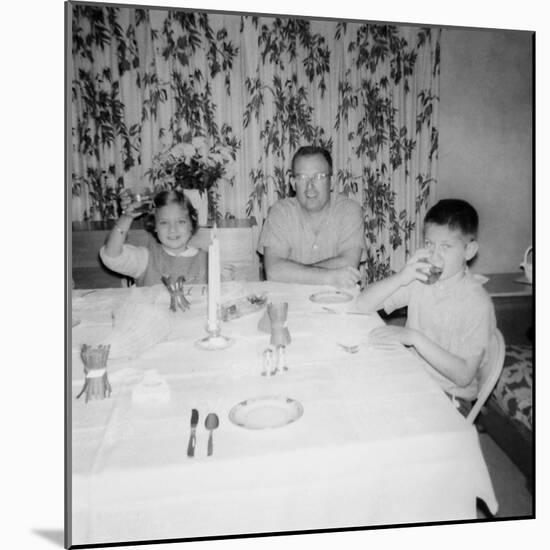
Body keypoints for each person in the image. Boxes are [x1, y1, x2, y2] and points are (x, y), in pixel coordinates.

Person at [356, 199, 496, 416]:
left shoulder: (476, 302)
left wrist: (413, 337)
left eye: (446, 247)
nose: (435, 255)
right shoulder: (422, 278)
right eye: (429, 244)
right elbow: (362, 304)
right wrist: (402, 276)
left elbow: (464, 375)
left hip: (451, 399)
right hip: (413, 380)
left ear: (469, 251)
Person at [257, 145, 366, 288]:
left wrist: (293, 273)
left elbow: (349, 264)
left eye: (319, 177)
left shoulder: (349, 210)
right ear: (293, 183)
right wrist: (330, 276)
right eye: (302, 177)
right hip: (291, 303)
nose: (310, 186)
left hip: (338, 301)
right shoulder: (280, 212)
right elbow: (274, 272)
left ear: (331, 182)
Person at [100, 189, 207, 286]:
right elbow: (111, 256)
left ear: (191, 224)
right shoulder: (145, 259)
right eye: (164, 222)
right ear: (155, 226)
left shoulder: (207, 261)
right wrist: (127, 217)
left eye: (181, 221)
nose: (172, 229)